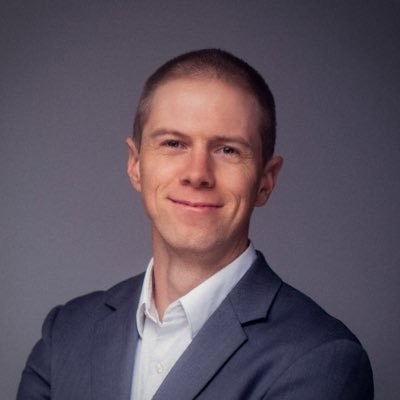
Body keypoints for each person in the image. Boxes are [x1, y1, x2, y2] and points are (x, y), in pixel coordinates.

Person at [17, 48, 373, 399]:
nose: (197, 174)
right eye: (174, 143)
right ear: (135, 165)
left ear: (266, 180)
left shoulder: (321, 358)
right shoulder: (66, 333)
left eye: (228, 150)